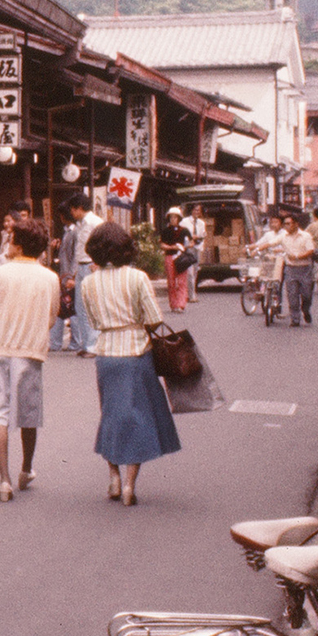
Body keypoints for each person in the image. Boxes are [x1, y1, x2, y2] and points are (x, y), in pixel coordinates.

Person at [82, 221, 179, 505]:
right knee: (136, 417)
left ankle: (112, 476)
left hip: (106, 353)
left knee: (111, 415)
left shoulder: (89, 282)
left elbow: (93, 321)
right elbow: (154, 319)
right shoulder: (137, 278)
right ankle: (129, 486)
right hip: (136, 352)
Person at [0, 221, 57, 501]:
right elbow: (52, 317)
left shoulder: (0, 274)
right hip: (29, 352)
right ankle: (26, 468)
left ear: (18, 245)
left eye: (11, 239)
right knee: (28, 413)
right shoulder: (49, 278)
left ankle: (4, 481)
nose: (7, 242)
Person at [51, 196, 100, 356]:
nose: (71, 212)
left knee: (89, 306)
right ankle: (86, 345)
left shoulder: (95, 223)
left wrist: (98, 261)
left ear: (79, 208)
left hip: (90, 265)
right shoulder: (80, 225)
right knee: (80, 307)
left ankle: (92, 346)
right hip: (80, 266)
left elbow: (102, 243)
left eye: (72, 209)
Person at [269, 211, 318, 325]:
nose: (286, 226)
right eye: (285, 224)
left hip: (305, 268)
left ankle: (305, 309)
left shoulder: (306, 236)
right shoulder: (283, 236)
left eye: (288, 223)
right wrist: (257, 248)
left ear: (296, 224)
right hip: (290, 269)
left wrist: (297, 256)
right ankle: (295, 319)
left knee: (307, 295)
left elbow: (310, 250)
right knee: (292, 295)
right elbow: (271, 243)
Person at [162, 207, 194, 314]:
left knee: (181, 281)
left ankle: (181, 304)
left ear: (179, 218)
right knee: (171, 282)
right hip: (170, 256)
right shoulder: (165, 231)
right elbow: (162, 245)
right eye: (171, 217)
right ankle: (173, 304)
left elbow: (191, 242)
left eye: (175, 217)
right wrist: (172, 248)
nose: (173, 219)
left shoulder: (184, 230)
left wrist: (185, 247)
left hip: (181, 257)